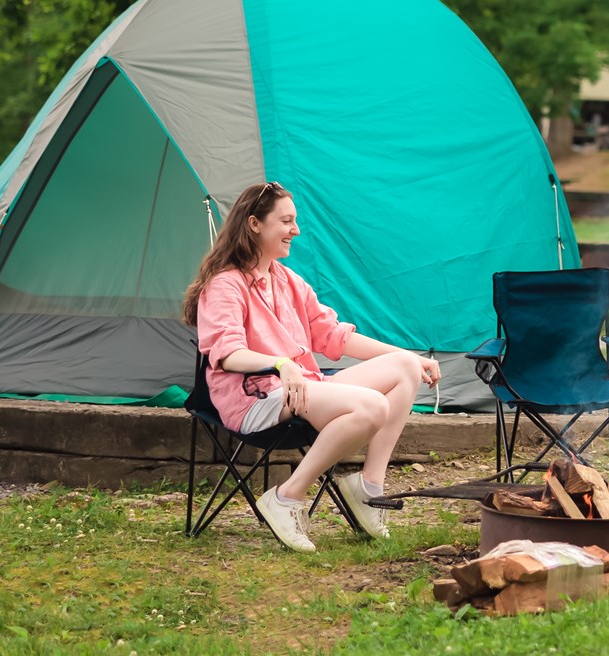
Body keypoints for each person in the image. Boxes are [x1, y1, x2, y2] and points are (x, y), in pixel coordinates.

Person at [182, 180, 441, 552]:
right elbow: (226, 354)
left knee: (403, 367)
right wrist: (281, 364)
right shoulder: (226, 285)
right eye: (286, 221)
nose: (296, 230)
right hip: (254, 402)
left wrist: (411, 356)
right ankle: (286, 497)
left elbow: (335, 337)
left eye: (295, 221)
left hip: (303, 388)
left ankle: (368, 488)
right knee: (373, 406)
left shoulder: (288, 282)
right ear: (255, 224)